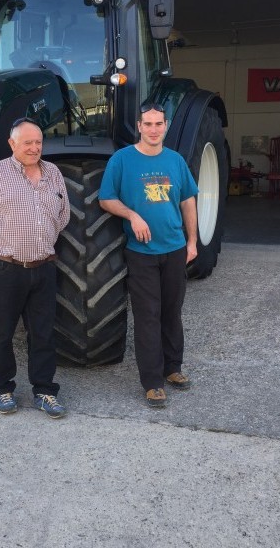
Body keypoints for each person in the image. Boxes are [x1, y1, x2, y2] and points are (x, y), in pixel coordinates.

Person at [0, 117, 70, 419]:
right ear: (12, 144)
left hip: (44, 268)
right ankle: (1, 388)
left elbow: (63, 216)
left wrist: (43, 242)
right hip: (5, 270)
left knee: (44, 333)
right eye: (27, 143)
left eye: (38, 142)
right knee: (2, 331)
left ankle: (45, 391)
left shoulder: (53, 173)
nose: (34, 148)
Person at [98, 104, 198, 408]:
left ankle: (173, 369)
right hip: (141, 253)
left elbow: (188, 201)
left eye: (159, 124)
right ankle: (152, 382)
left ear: (165, 126)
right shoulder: (122, 160)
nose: (154, 129)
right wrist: (132, 216)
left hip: (175, 248)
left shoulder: (176, 160)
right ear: (139, 127)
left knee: (172, 312)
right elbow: (105, 199)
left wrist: (192, 241)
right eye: (148, 124)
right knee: (147, 316)